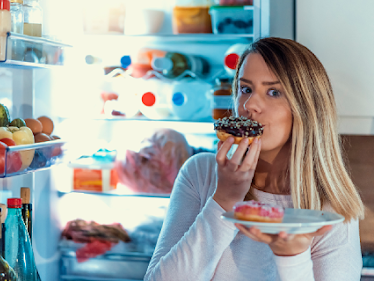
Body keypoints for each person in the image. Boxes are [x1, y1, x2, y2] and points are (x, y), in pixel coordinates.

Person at [143, 37, 365, 281]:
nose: (250, 105)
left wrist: (292, 256)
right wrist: (224, 199)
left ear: (306, 108)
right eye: (246, 89)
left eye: (273, 92)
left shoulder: (330, 211)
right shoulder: (201, 174)